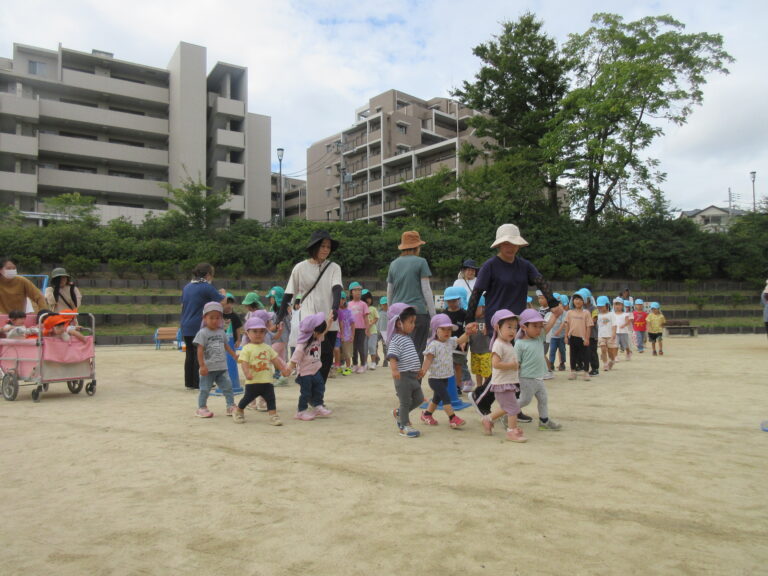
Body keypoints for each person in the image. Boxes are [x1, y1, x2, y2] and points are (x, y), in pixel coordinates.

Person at [278, 230, 343, 383]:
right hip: (310, 321)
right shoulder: (300, 268)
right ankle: (308, 390)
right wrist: (279, 317)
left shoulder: (334, 267)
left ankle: (318, 395)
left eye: (328, 247)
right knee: (309, 357)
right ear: (314, 247)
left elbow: (337, 288)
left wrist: (334, 308)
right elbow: (288, 293)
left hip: (328, 321)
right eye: (322, 246)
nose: (326, 249)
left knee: (327, 357)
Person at [478, 309, 527, 443]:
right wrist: (511, 366)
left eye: (515, 327)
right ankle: (511, 431)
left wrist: (515, 366)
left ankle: (487, 419)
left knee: (507, 407)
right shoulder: (498, 344)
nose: (512, 331)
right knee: (513, 408)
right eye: (509, 327)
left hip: (508, 382)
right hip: (501, 383)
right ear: (497, 327)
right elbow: (496, 364)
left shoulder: (508, 344)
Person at [387, 230, 436, 363]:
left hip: (398, 316)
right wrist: (433, 315)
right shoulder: (421, 262)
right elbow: (426, 290)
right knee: (417, 351)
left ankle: (403, 382)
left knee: (400, 350)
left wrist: (390, 314)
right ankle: (415, 382)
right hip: (417, 313)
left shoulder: (393, 264)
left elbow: (389, 291)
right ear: (417, 247)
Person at [232, 317, 291, 425]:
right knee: (247, 399)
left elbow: (275, 360)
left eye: (261, 331)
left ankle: (273, 416)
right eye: (254, 331)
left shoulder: (267, 348)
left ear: (265, 333)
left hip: (267, 381)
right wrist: (246, 373)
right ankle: (238, 411)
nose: (258, 334)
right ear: (247, 333)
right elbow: (244, 362)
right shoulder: (246, 348)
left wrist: (283, 370)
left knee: (271, 399)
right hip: (253, 381)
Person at [418, 314, 473, 428]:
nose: (447, 332)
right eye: (443, 329)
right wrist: (423, 371)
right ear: (435, 330)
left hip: (445, 378)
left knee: (437, 399)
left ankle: (427, 414)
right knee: (446, 397)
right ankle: (453, 418)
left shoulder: (450, 341)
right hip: (435, 379)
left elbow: (460, 340)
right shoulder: (433, 345)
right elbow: (428, 359)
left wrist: (467, 333)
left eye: (449, 329)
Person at [180, 263, 225, 390]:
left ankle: (189, 382)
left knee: (190, 354)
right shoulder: (206, 287)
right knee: (200, 353)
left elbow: (182, 306)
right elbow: (222, 302)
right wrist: (224, 293)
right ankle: (199, 382)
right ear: (208, 275)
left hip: (186, 324)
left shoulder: (187, 287)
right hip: (197, 325)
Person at [515, 309, 562, 431]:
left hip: (539, 377)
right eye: (534, 326)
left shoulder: (539, 337)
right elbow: (516, 363)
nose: (538, 329)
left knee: (543, 399)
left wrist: (555, 315)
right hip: (526, 378)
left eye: (540, 326)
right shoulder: (519, 344)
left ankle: (544, 421)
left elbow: (550, 325)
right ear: (524, 327)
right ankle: (505, 413)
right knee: (525, 400)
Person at [193, 301, 237, 418]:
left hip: (222, 367)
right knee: (205, 389)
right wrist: (202, 365)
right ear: (204, 318)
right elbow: (200, 350)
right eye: (211, 318)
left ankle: (230, 406)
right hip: (208, 369)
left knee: (228, 387)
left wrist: (234, 355)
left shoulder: (221, 332)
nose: (214, 320)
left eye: (218, 318)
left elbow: (226, 346)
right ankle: (201, 408)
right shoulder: (202, 333)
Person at [386, 303, 424, 438]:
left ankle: (399, 413)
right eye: (410, 322)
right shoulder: (396, 339)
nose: (413, 325)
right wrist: (394, 370)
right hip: (402, 376)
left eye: (414, 322)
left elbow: (411, 355)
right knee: (405, 402)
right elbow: (392, 355)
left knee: (419, 398)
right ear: (398, 323)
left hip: (413, 376)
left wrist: (418, 368)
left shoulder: (407, 338)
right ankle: (404, 425)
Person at [289, 312, 333, 421]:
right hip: (305, 374)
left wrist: (329, 322)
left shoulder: (317, 338)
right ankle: (301, 411)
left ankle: (318, 406)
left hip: (316, 370)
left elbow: (324, 331)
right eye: (320, 331)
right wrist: (288, 369)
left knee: (320, 388)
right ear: (314, 332)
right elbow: (295, 359)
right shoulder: (302, 345)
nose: (322, 334)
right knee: (306, 393)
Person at [442, 286, 470, 392]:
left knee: (458, 366)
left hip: (461, 345)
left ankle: (458, 386)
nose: (452, 303)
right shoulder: (444, 313)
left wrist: (464, 341)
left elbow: (467, 330)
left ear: (459, 300)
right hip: (446, 344)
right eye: (449, 301)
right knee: (448, 365)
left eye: (454, 301)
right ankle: (448, 385)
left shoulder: (464, 314)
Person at [564, 292, 592, 381]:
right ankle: (573, 371)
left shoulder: (586, 313)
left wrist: (587, 338)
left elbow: (589, 326)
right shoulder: (569, 313)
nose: (578, 301)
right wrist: (565, 336)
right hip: (572, 337)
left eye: (580, 299)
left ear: (583, 301)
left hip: (583, 338)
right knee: (573, 355)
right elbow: (567, 325)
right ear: (573, 301)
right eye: (576, 299)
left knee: (585, 355)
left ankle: (586, 372)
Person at [468, 295, 491, 390]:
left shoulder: (488, 320)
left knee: (486, 372)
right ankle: (479, 387)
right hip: (474, 350)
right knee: (477, 371)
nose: (472, 310)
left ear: (483, 307)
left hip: (486, 351)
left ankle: (486, 389)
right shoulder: (471, 320)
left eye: (475, 308)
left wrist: (488, 330)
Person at [346, 281, 369, 374]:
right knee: (353, 347)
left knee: (360, 347)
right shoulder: (348, 304)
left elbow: (366, 317)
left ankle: (363, 364)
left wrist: (367, 329)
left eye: (359, 290)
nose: (358, 292)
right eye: (355, 290)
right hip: (351, 329)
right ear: (351, 292)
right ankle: (355, 364)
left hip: (361, 328)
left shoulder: (363, 304)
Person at [595, 296, 618, 370]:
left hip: (610, 336)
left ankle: (612, 360)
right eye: (599, 306)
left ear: (607, 305)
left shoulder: (611, 314)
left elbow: (614, 325)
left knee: (610, 352)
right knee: (603, 349)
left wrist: (613, 334)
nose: (600, 307)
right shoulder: (598, 315)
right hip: (601, 335)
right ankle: (605, 364)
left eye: (602, 306)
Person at [548, 294, 569, 372]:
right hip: (553, 337)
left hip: (561, 336)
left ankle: (562, 363)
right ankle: (551, 364)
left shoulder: (564, 313)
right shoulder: (550, 312)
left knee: (562, 350)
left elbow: (564, 323)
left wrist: (559, 331)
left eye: (559, 303)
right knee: (552, 350)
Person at [362, 290, 380, 369]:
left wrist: (371, 323)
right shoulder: (361, 308)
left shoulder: (373, 308)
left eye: (369, 298)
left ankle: (373, 362)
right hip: (363, 332)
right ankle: (365, 363)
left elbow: (376, 318)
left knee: (372, 347)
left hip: (373, 332)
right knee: (364, 348)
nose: (368, 300)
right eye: (366, 298)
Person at [377, 296, 389, 366]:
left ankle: (385, 359)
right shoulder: (378, 312)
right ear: (381, 305)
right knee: (374, 344)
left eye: (386, 304)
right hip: (378, 330)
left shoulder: (390, 312)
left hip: (386, 332)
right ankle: (376, 357)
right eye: (383, 304)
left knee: (385, 346)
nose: (385, 306)